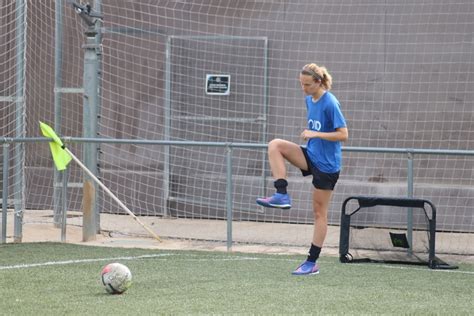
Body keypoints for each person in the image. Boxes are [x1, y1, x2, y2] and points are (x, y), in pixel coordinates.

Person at [256, 63, 348, 275]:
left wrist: (317, 134)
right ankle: (281, 194)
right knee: (275, 145)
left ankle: (311, 262)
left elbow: (343, 134)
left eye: (307, 85)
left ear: (318, 82)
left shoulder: (330, 103)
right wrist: (312, 138)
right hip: (311, 155)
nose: (303, 88)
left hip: (327, 167)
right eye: (301, 84)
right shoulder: (309, 99)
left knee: (319, 213)